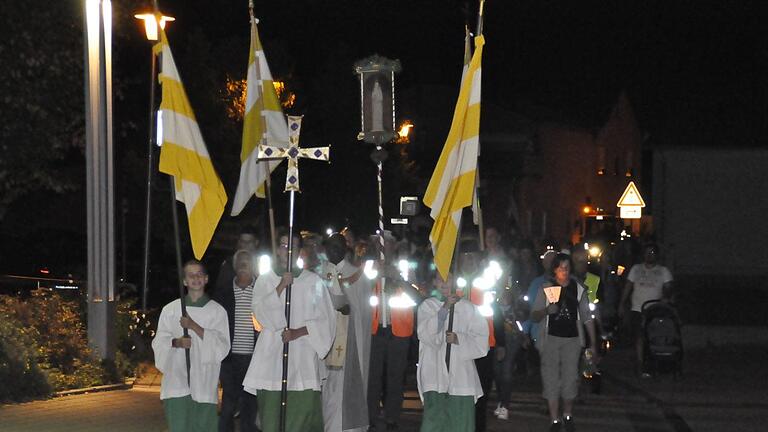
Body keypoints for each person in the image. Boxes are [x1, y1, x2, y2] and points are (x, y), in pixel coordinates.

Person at [242, 231, 336, 432]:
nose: (288, 250)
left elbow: (325, 321)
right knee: (272, 419)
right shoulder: (265, 280)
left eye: (293, 246)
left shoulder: (313, 282)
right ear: (277, 250)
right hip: (271, 357)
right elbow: (260, 315)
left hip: (302, 357)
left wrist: (298, 332)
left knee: (300, 420)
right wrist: (281, 285)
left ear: (300, 252)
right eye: (284, 245)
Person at [152, 260, 230, 432]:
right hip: (177, 382)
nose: (196, 278)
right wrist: (177, 343)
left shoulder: (217, 312)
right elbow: (160, 342)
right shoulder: (171, 310)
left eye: (199, 274)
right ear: (184, 281)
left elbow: (222, 346)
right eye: (190, 275)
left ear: (206, 278)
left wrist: (194, 326)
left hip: (204, 381)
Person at [530, 253, 599, 432]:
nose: (565, 271)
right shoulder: (547, 288)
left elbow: (586, 316)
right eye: (561, 268)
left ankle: (567, 414)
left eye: (567, 267)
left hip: (573, 339)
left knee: (570, 378)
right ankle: (554, 419)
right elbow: (534, 315)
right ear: (555, 269)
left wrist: (593, 342)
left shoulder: (578, 288)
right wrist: (546, 310)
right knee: (551, 378)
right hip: (550, 339)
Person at [417, 273, 488, 432]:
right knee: (434, 422)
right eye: (440, 279)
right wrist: (445, 308)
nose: (444, 283)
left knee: (460, 423)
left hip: (461, 378)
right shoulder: (427, 306)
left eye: (448, 278)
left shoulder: (469, 309)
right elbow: (426, 334)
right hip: (435, 376)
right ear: (434, 282)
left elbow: (482, 342)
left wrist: (459, 339)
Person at [320, 233, 373, 432]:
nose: (332, 252)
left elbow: (362, 310)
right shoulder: (320, 273)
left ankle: (346, 426)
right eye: (329, 247)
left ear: (344, 250)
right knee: (327, 385)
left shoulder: (356, 274)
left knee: (342, 386)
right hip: (325, 337)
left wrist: (346, 308)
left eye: (336, 247)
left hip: (347, 338)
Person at [368, 231, 418, 431]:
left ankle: (392, 417)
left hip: (399, 330)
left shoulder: (405, 268)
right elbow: (359, 293)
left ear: (394, 246)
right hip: (374, 329)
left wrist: (398, 280)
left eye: (386, 243)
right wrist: (374, 279)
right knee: (373, 377)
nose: (382, 247)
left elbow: (417, 296)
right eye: (378, 243)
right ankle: (370, 416)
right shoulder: (369, 268)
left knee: (395, 377)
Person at [211, 250, 260, 432]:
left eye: (247, 261)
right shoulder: (223, 294)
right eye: (240, 261)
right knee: (228, 406)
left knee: (250, 407)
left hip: (254, 360)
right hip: (230, 360)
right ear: (234, 265)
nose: (243, 264)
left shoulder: (261, 291)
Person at [618, 243, 674, 377]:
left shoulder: (663, 271)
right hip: (638, 309)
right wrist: (622, 303)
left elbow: (669, 287)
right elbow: (628, 286)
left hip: (655, 310)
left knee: (653, 337)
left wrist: (667, 298)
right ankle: (640, 363)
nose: (649, 255)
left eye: (652, 253)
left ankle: (653, 362)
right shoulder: (636, 269)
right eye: (647, 252)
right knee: (639, 336)